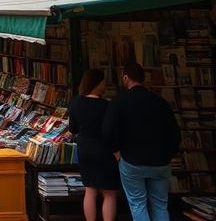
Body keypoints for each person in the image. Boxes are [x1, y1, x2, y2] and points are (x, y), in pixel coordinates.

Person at [102, 62, 180, 221]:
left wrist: (117, 153)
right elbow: (175, 134)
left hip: (132, 160)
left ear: (126, 78)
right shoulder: (160, 102)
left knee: (138, 204)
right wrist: (168, 155)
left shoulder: (119, 102)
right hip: (160, 161)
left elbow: (107, 131)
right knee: (160, 205)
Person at [68, 69, 120, 221]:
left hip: (84, 148)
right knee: (109, 192)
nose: (104, 86)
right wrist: (116, 151)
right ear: (96, 84)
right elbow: (111, 130)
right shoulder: (106, 106)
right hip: (104, 149)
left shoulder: (76, 102)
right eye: (102, 83)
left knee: (90, 190)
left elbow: (73, 129)